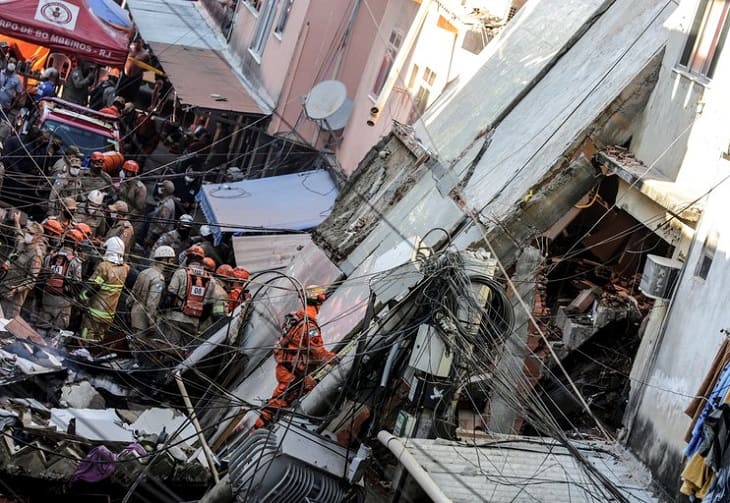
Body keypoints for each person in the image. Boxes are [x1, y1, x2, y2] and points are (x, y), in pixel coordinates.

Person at [255, 285, 340, 428]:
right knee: (275, 406)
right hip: (292, 375)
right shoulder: (310, 327)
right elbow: (319, 353)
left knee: (309, 386)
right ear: (319, 301)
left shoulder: (294, 318)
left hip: (287, 368)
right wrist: (336, 359)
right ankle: (258, 430)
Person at [160, 245, 217, 350]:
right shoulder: (211, 280)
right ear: (201, 260)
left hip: (175, 318)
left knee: (171, 350)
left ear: (188, 258)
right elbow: (209, 307)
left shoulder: (181, 273)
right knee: (186, 352)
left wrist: (162, 312)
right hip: (193, 322)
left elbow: (170, 296)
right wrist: (198, 321)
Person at [79, 236, 129, 343]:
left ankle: (83, 350)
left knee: (87, 333)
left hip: (94, 311)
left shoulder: (104, 267)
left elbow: (94, 286)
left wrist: (82, 297)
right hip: (109, 314)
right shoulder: (125, 269)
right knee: (100, 337)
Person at [0, 215, 47, 319]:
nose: (28, 235)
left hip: (14, 296)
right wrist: (17, 222)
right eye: (27, 231)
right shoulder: (22, 244)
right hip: (4, 288)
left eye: (31, 233)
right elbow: (18, 234)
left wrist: (17, 289)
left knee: (8, 322)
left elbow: (31, 281)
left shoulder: (36, 255)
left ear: (38, 237)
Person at [39, 228, 84, 333]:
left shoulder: (49, 257)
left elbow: (43, 275)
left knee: (41, 328)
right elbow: (77, 283)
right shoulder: (76, 262)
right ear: (76, 245)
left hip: (47, 298)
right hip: (64, 302)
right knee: (57, 332)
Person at [128, 245, 175, 341]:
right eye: (171, 261)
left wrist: (129, 310)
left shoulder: (145, 272)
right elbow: (151, 304)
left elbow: (132, 295)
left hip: (134, 314)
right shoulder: (158, 279)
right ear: (165, 260)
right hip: (143, 321)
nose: (172, 264)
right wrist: (152, 324)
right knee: (139, 347)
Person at [116, 160, 147, 237]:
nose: (123, 172)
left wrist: (127, 217)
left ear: (131, 173)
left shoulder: (140, 188)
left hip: (134, 220)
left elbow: (138, 209)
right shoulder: (124, 182)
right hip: (122, 216)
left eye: (125, 171)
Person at [143, 180, 176, 249]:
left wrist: (150, 238)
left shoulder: (166, 206)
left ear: (165, 191)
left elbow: (161, 225)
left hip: (158, 237)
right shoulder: (166, 201)